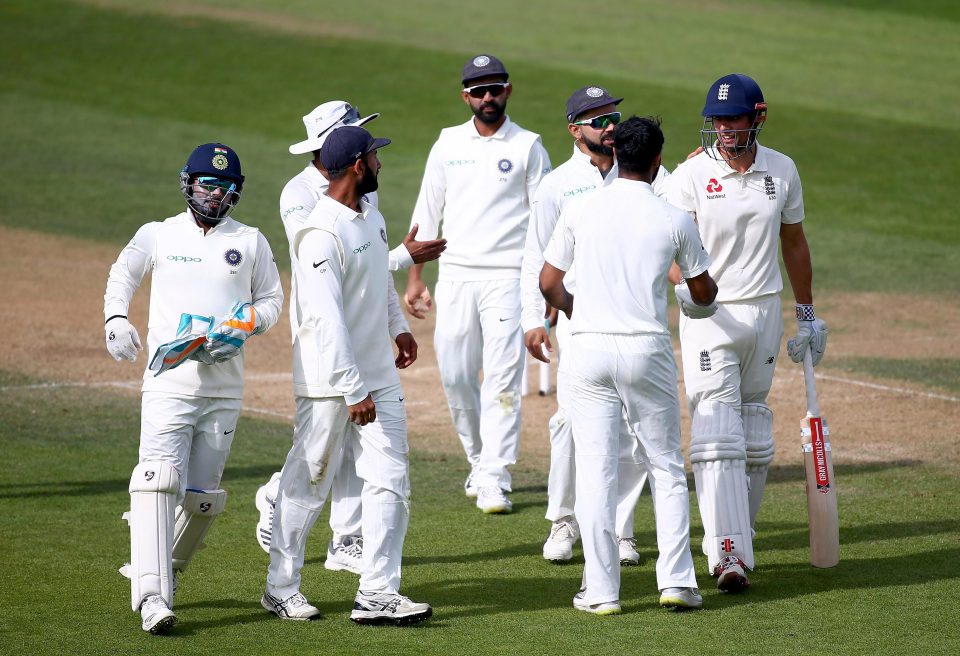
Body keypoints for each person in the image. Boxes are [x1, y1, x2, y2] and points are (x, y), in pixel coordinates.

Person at [254, 101, 446, 574]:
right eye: (357, 134)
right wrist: (406, 255)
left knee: (366, 451)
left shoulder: (365, 195)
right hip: (323, 339)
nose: (372, 149)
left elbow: (370, 267)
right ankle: (277, 498)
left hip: (366, 338)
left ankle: (347, 541)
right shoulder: (298, 196)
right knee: (320, 454)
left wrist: (396, 326)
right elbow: (327, 268)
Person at [103, 143, 284, 634]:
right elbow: (123, 273)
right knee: (157, 480)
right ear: (188, 183)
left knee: (202, 500)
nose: (215, 195)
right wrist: (116, 318)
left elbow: (271, 299)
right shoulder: (159, 234)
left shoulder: (250, 241)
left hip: (224, 389)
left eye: (225, 188)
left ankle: (164, 574)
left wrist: (246, 322)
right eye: (207, 184)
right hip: (169, 384)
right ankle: (152, 597)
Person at [539, 116, 716, 614]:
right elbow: (702, 291)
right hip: (646, 351)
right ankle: (677, 583)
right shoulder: (674, 217)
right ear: (658, 161)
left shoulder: (579, 207)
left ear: (615, 154)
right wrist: (699, 297)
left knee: (595, 471)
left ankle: (601, 593)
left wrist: (577, 309)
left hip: (588, 351)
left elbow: (549, 284)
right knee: (664, 465)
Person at [664, 73, 828, 592]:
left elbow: (795, 243)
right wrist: (688, 288)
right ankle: (724, 552)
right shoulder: (690, 175)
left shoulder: (781, 170)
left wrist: (806, 314)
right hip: (710, 315)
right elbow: (665, 243)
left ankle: (741, 534)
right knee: (716, 435)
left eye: (733, 119)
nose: (725, 129)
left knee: (755, 436)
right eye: (717, 121)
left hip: (762, 314)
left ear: (757, 117)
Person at [521, 85, 673, 564]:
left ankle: (620, 529)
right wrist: (538, 318)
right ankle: (565, 521)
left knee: (629, 429)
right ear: (574, 129)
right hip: (579, 320)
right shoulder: (557, 185)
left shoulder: (650, 172)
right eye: (598, 120)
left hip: (637, 318)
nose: (609, 126)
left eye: (613, 117)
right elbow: (536, 258)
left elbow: (676, 214)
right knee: (569, 423)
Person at [404, 54, 552, 513]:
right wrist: (415, 279)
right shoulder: (448, 143)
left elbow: (547, 222)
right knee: (454, 374)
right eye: (479, 90)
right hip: (457, 276)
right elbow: (428, 212)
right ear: (466, 95)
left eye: (496, 88)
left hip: (509, 277)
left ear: (509, 91)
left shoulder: (529, 145)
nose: (488, 97)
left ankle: (496, 475)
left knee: (504, 379)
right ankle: (477, 458)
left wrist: (544, 287)